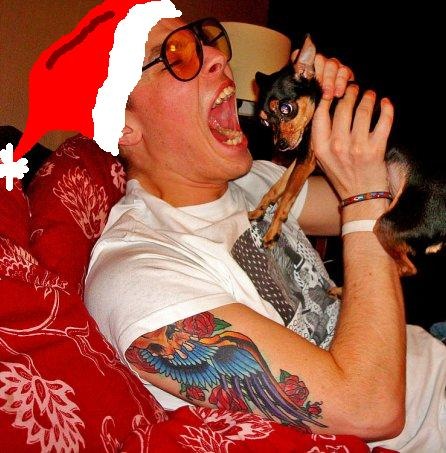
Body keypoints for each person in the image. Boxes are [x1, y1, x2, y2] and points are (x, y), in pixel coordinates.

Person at [85, 16, 446, 451]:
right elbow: (370, 409)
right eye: (175, 55)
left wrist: (334, 113)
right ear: (122, 124)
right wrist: (363, 196)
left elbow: (404, 199)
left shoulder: (253, 182)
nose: (217, 56)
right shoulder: (138, 273)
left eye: (205, 41)